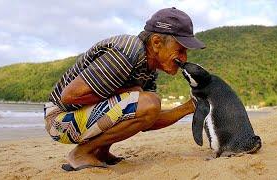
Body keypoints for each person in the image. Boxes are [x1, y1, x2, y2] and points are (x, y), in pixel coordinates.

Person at [44, 7, 206, 171]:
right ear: (156, 42)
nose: (184, 58)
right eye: (180, 50)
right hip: (59, 120)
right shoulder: (127, 51)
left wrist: (189, 107)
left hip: (78, 117)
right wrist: (128, 92)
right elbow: (69, 96)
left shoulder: (148, 70)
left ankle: (101, 151)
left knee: (147, 101)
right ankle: (81, 153)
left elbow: (147, 119)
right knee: (147, 100)